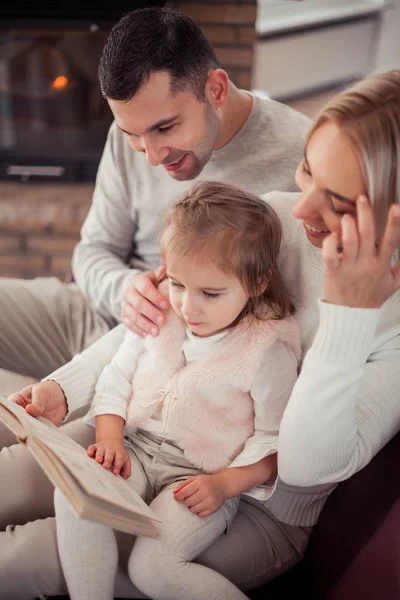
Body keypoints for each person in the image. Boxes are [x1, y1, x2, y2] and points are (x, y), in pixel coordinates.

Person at [1, 70, 400, 599]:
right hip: (150, 439)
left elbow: (302, 468)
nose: (301, 206)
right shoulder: (275, 219)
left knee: (19, 556)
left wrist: (348, 317)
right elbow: (155, 326)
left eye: (339, 202)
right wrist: (66, 388)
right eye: (307, 170)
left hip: (250, 506)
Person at [0, 6, 308, 393]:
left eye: (166, 127)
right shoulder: (126, 138)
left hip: (175, 360)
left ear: (216, 89)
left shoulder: (301, 156)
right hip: (96, 316)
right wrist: (125, 289)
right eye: (134, 134)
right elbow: (93, 251)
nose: (151, 156)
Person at [54, 181, 301, 600]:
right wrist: (110, 438)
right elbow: (117, 375)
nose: (188, 306)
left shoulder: (267, 350)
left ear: (257, 283)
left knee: (151, 567)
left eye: (210, 293)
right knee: (77, 497)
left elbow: (274, 442)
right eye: (178, 284)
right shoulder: (164, 311)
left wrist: (224, 485)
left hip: (201, 477)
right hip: (136, 449)